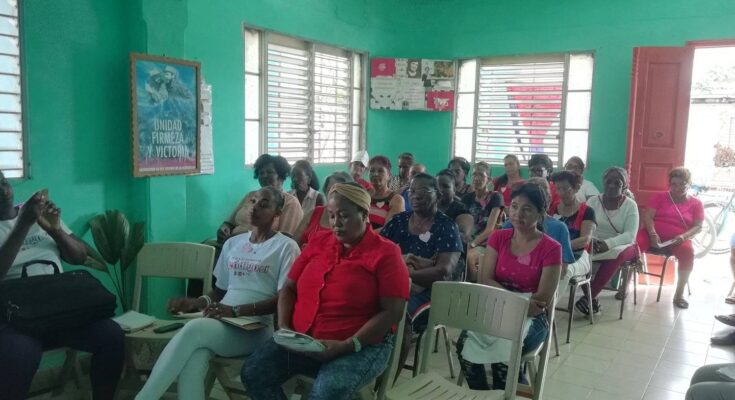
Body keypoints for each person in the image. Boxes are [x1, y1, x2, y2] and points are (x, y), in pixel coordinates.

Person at [242, 183, 409, 400]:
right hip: (302, 339)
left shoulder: (386, 253)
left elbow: (392, 311)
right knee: (253, 372)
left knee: (326, 393)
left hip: (360, 345)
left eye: (344, 216)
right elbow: (289, 288)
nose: (336, 224)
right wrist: (284, 329)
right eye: (331, 216)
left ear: (364, 214)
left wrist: (349, 344)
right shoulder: (319, 242)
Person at [136, 187, 300, 400]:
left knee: (194, 329)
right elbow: (221, 291)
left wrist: (235, 310)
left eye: (264, 204)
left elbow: (283, 299)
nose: (254, 208)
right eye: (253, 201)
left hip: (256, 328)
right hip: (223, 320)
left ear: (278, 213)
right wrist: (196, 302)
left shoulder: (286, 247)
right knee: (195, 357)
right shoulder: (233, 243)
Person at [0, 175, 124, 400]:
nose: (2, 187)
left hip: (62, 311)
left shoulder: (38, 216)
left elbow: (79, 257)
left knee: (111, 336)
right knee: (20, 355)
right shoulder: (27, 219)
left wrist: (55, 230)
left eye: (2, 179)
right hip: (17, 320)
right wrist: (23, 225)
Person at [457, 183, 562, 390]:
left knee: (505, 354)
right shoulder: (499, 238)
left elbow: (540, 302)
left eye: (527, 209)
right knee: (464, 346)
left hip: (531, 319)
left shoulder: (551, 248)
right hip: (494, 310)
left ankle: (507, 391)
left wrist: (512, 299)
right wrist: (520, 299)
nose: (517, 214)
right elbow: (485, 280)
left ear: (541, 213)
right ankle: (482, 394)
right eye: (514, 206)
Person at [380, 173, 463, 374]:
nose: (415, 196)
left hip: (429, 292)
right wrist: (408, 266)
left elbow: (443, 271)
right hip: (394, 283)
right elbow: (377, 252)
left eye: (423, 191)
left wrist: (402, 272)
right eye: (412, 191)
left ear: (438, 195)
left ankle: (387, 379)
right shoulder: (398, 221)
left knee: (399, 316)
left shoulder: (446, 226)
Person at [576, 167, 639, 315]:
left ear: (624, 185)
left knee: (616, 254)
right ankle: (591, 299)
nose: (611, 186)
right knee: (581, 253)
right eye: (608, 182)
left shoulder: (630, 205)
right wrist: (593, 240)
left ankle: (588, 297)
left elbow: (630, 234)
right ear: (603, 183)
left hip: (621, 244)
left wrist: (608, 244)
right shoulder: (592, 201)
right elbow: (584, 225)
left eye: (617, 183)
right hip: (595, 240)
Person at [637, 167, 703, 309]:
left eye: (682, 184)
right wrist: (652, 233)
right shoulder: (659, 197)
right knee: (635, 246)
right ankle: (625, 285)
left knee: (688, 252)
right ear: (669, 184)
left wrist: (684, 236)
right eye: (674, 184)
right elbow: (648, 216)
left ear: (689, 184)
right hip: (652, 234)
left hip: (678, 238)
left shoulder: (696, 204)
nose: (678, 188)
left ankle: (679, 294)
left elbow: (698, 226)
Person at [218, 154, 303, 241]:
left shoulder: (290, 202)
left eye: (270, 172)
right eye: (261, 173)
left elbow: (284, 240)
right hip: (231, 244)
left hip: (259, 250)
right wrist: (224, 228)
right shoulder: (250, 196)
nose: (264, 176)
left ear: (281, 176)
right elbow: (229, 222)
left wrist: (239, 238)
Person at [550, 171, 597, 294]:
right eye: (558, 188)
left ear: (576, 188)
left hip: (579, 255)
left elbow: (585, 240)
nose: (561, 193)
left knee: (565, 270)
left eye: (565, 189)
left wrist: (558, 247)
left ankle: (548, 308)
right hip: (552, 253)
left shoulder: (587, 211)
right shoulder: (551, 208)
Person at [462, 163, 504, 282]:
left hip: (485, 243)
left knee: (469, 256)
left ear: (489, 180)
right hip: (467, 240)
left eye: (481, 175)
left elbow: (490, 230)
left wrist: (472, 244)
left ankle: (474, 290)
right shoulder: (466, 198)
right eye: (474, 174)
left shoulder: (496, 197)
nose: (476, 178)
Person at [293, 171, 353, 248]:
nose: (333, 194)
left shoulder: (352, 219)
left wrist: (313, 249)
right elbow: (294, 241)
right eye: (329, 190)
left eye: (338, 191)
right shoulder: (315, 212)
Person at [436, 169, 473, 280]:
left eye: (446, 186)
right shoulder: (428, 207)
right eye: (437, 186)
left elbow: (462, 236)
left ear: (454, 189)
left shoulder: (462, 210)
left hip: (451, 257)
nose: (440, 190)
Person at [368, 155, 405, 230]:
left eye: (380, 170)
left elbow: (388, 229)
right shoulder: (363, 194)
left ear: (389, 176)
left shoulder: (396, 200)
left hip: (379, 241)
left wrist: (362, 238)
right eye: (372, 170)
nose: (375, 174)